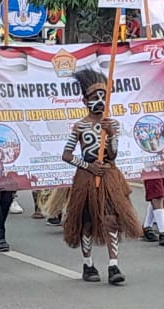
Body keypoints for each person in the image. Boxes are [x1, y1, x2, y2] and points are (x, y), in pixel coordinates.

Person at [60, 69, 143, 285]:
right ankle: (88, 264)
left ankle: (113, 265)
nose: (98, 101)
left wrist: (112, 135)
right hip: (86, 179)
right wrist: (87, 165)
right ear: (84, 100)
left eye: (102, 97)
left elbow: (113, 154)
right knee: (87, 221)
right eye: (94, 97)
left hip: (109, 176)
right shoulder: (80, 126)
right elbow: (66, 155)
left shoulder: (111, 125)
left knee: (111, 219)